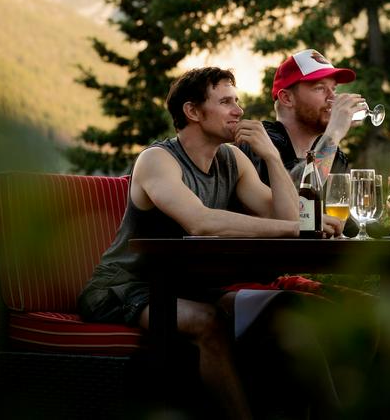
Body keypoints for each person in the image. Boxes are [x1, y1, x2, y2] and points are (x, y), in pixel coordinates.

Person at [77, 67, 341, 420]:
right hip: (126, 288)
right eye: (226, 102)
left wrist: (271, 157)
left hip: (191, 289)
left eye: (237, 101)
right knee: (208, 321)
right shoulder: (157, 160)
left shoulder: (233, 159)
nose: (239, 110)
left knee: (287, 305)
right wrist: (294, 228)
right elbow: (200, 221)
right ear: (193, 111)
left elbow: (287, 216)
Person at [242, 49, 370, 234]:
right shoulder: (261, 140)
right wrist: (333, 133)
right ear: (287, 98)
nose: (333, 97)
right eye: (320, 88)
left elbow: (348, 227)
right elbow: (297, 205)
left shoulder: (334, 155)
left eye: (334, 89)